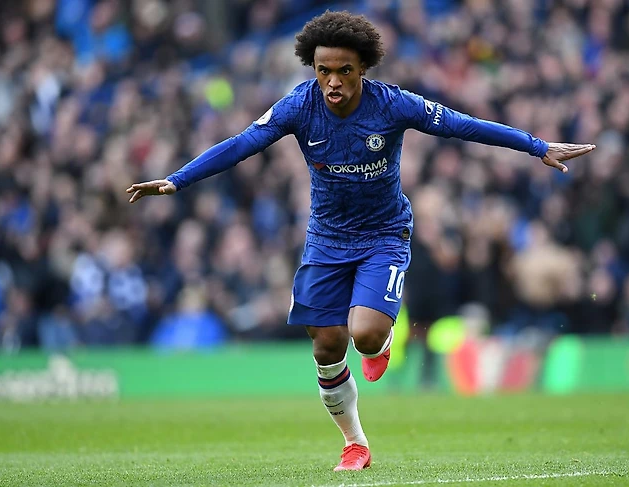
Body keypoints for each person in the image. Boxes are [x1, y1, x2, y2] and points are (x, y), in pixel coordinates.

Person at [126, 10, 595, 471]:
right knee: (327, 347)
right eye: (323, 71)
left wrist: (537, 146)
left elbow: (463, 125)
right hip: (326, 238)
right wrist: (176, 180)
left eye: (344, 71)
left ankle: (380, 341)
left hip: (383, 234)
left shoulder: (393, 105)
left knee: (365, 336)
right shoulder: (298, 106)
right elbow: (240, 145)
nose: (333, 82)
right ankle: (355, 444)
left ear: (363, 68)